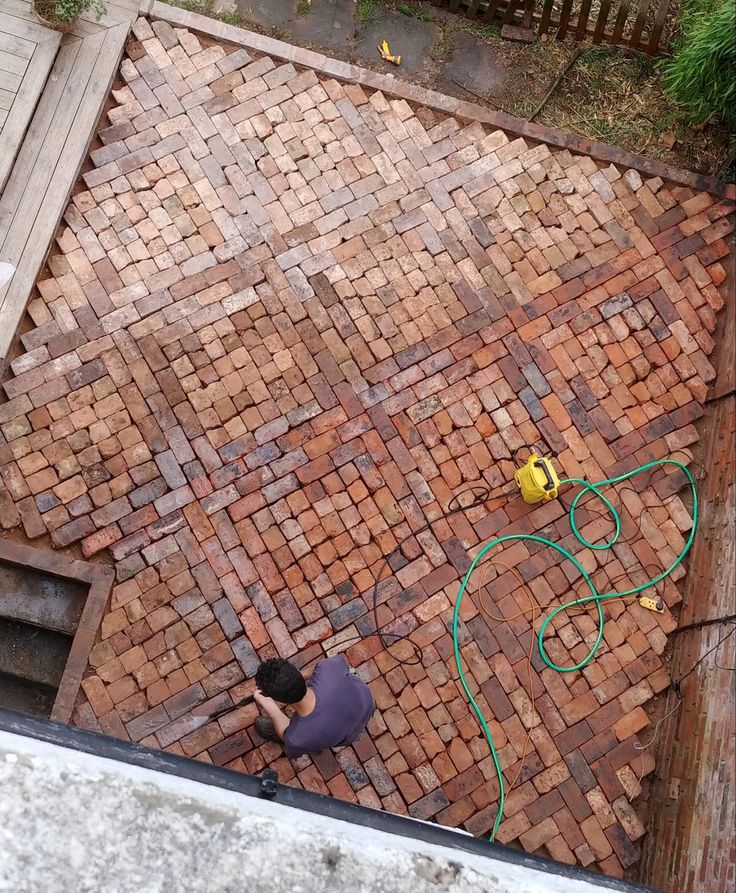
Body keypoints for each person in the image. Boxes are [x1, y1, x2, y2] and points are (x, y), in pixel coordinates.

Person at [253, 655, 375, 759]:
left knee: (295, 742)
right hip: (367, 704)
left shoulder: (296, 738)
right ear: (295, 670)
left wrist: (272, 709)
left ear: (277, 699)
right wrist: (290, 681)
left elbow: (287, 736)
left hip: (342, 737)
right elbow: (324, 666)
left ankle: (314, 748)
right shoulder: (327, 668)